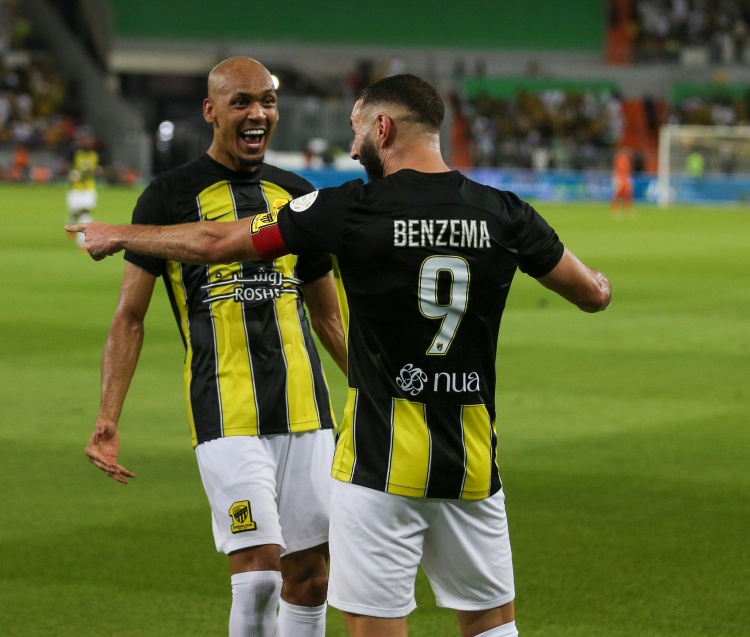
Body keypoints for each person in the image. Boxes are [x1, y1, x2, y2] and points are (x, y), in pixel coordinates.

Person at [69, 73, 611, 637]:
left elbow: (215, 242)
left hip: (376, 466)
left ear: (383, 128)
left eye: (357, 131)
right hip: (470, 466)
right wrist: (602, 283)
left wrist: (120, 234)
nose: (353, 148)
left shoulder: (345, 208)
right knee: (492, 628)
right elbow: (593, 294)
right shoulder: (506, 213)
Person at [74, 57, 346, 637]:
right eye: (241, 101)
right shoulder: (168, 198)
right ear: (211, 110)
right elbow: (129, 317)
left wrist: (379, 391)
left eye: (267, 101)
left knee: (312, 578)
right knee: (259, 575)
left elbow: (327, 315)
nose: (258, 113)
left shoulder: (299, 195)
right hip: (224, 412)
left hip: (308, 411)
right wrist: (107, 417)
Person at [66, 127, 102, 248]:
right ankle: (71, 224)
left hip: (89, 188)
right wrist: (71, 173)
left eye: (89, 139)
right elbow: (66, 166)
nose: (87, 142)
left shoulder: (97, 154)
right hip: (76, 188)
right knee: (75, 212)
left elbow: (103, 168)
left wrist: (99, 170)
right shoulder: (74, 153)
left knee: (85, 211)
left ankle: (82, 242)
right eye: (85, 139)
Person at [610, 147, 633, 213]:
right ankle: (614, 209)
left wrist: (629, 179)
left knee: (627, 194)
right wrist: (615, 178)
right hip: (619, 177)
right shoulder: (618, 159)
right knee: (617, 193)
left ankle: (627, 209)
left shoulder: (627, 160)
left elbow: (628, 170)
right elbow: (615, 168)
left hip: (625, 178)